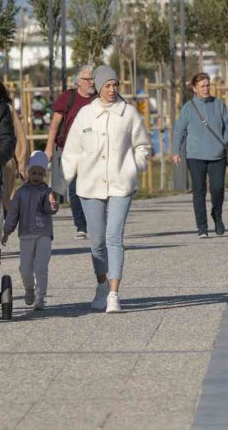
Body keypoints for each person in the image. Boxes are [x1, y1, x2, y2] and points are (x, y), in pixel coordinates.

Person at [61, 65, 151, 314]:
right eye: (107, 86)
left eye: (115, 85)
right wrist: (56, 189)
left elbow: (143, 145)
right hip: (90, 185)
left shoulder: (129, 114)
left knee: (114, 237)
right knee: (97, 242)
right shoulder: (85, 116)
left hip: (122, 183)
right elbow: (71, 154)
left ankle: (114, 293)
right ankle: (101, 284)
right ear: (98, 88)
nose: (112, 90)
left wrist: (135, 165)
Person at [173, 73, 228, 238]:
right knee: (199, 191)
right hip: (195, 156)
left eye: (208, 85)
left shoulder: (218, 104)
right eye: (202, 86)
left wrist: (224, 141)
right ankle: (202, 227)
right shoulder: (188, 108)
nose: (206, 89)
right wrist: (175, 151)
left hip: (218, 155)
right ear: (194, 88)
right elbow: (179, 130)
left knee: (217, 189)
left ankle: (217, 215)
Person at [2, 150, 59, 310]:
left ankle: (40, 296)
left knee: (41, 266)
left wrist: (54, 205)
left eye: (40, 173)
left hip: (44, 234)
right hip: (26, 234)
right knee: (25, 268)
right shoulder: (21, 193)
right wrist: (7, 231)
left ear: (44, 175)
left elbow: (50, 209)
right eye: (33, 172)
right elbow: (13, 214)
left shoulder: (47, 192)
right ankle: (29, 289)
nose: (36, 176)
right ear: (28, 173)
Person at [44, 66, 96, 239]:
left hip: (95, 151)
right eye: (88, 79)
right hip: (71, 150)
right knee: (74, 189)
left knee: (95, 187)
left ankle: (95, 222)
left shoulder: (98, 98)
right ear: (78, 82)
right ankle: (81, 226)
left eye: (93, 78)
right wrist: (49, 147)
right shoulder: (68, 97)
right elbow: (55, 125)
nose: (92, 82)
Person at [0, 75, 29, 204]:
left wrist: (22, 165)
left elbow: (18, 138)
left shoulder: (7, 109)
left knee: (5, 201)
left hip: (5, 162)